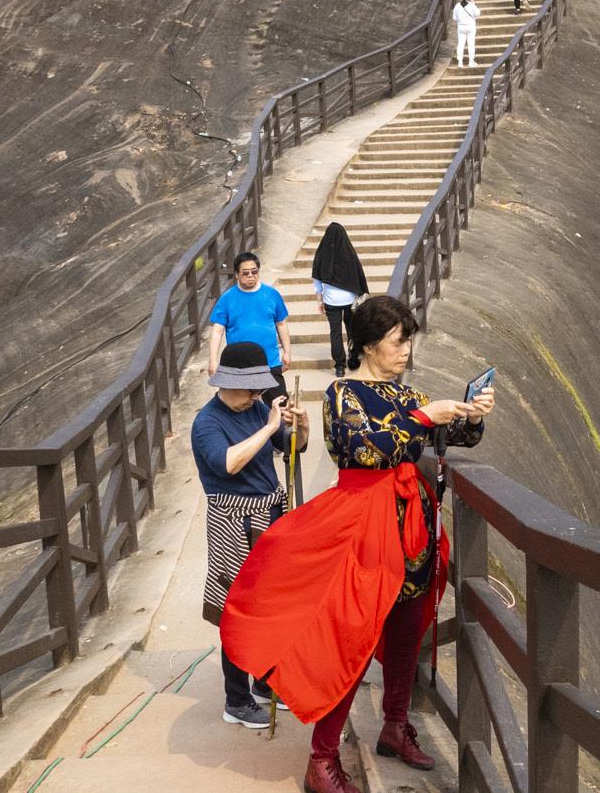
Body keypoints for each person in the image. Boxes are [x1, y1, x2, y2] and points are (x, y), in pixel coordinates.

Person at [222, 295, 494, 793]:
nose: (406, 350)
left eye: (408, 339)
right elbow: (365, 449)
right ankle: (321, 760)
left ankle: (394, 726)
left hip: (411, 530)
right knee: (351, 641)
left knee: (408, 631)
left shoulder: (409, 397)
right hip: (361, 530)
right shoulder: (341, 393)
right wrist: (423, 419)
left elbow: (456, 435)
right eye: (398, 340)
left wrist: (472, 417)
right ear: (370, 343)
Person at [195, 341, 308, 728]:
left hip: (269, 513)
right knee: (237, 609)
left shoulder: (258, 408)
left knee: (270, 604)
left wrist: (299, 423)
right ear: (227, 383)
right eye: (251, 390)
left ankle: (263, 680)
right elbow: (227, 463)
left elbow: (293, 446)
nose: (256, 397)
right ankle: (236, 698)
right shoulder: (207, 422)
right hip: (232, 519)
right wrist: (271, 427)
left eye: (260, 390)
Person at [208, 252, 291, 397]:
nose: (251, 276)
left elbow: (281, 324)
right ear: (236, 275)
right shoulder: (227, 298)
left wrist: (287, 352)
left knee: (280, 407)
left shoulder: (272, 295)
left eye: (254, 272)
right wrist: (213, 361)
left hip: (269, 363)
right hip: (239, 367)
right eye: (245, 273)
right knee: (241, 408)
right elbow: (217, 331)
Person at [309, 223, 368, 379]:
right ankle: (353, 359)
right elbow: (358, 274)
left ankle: (339, 366)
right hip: (350, 301)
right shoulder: (348, 253)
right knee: (352, 330)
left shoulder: (322, 253)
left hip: (331, 301)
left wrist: (319, 300)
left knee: (335, 333)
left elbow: (317, 278)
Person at [452, 0, 480, 70]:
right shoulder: (471, 5)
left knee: (460, 44)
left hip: (461, 27)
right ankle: (471, 62)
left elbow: (454, 18)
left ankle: (460, 62)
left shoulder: (457, 5)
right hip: (470, 26)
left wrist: (460, 19)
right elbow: (478, 13)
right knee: (471, 44)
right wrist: (474, 4)